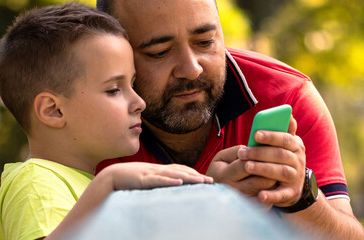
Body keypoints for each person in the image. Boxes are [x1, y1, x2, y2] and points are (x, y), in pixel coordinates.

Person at [95, 0, 364, 238]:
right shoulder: (80, 118)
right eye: (159, 52)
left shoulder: (287, 97)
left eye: (205, 42)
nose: (191, 69)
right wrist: (204, 211)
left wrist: (299, 196)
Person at [0, 3, 213, 240]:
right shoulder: (36, 185)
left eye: (133, 84)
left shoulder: (84, 185)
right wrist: (107, 183)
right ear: (54, 110)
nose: (140, 102)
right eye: (114, 90)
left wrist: (215, 185)